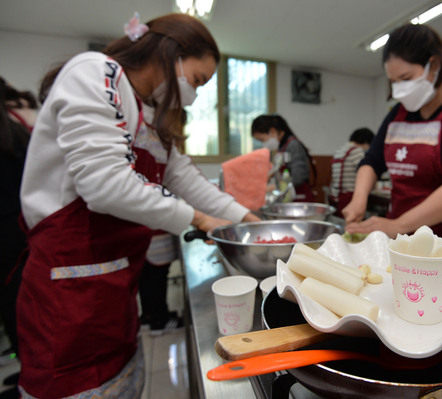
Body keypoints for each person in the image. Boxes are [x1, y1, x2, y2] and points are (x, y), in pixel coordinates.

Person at [17, 12, 260, 399]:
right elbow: (105, 184)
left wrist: (250, 222)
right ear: (172, 52)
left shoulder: (150, 118)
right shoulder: (99, 73)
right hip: (66, 292)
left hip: (114, 291)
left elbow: (189, 181)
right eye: (197, 80)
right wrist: (197, 218)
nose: (194, 94)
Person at [342, 24, 442, 247]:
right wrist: (359, 200)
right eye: (394, 82)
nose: (399, 89)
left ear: (433, 65)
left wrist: (398, 225)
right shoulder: (399, 114)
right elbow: (372, 161)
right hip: (403, 241)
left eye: (406, 78)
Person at [0, 77, 38, 399]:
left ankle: (27, 371)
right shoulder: (18, 124)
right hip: (20, 227)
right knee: (18, 302)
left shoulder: (12, 125)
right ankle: (26, 367)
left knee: (14, 303)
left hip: (11, 231)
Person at [251, 114, 316, 202]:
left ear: (272, 131)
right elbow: (284, 168)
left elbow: (298, 177)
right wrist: (271, 175)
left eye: (262, 140)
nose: (263, 144)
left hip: (299, 199)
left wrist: (274, 187)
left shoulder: (293, 145)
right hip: (289, 197)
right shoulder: (281, 147)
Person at [138, 232, 182, 334]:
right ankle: (160, 321)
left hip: (143, 238)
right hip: (155, 238)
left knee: (145, 277)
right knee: (157, 279)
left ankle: (148, 315)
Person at [329, 127, 375, 217]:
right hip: (349, 197)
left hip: (336, 196)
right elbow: (365, 172)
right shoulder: (356, 151)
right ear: (366, 141)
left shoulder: (340, 150)